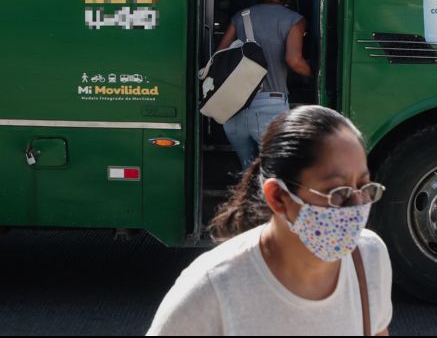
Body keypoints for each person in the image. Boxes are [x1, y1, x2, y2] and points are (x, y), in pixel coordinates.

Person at [147, 106, 393, 336]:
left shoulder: (369, 257)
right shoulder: (212, 289)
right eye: (337, 193)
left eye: (363, 187)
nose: (356, 207)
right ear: (278, 197)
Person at [216, 0, 312, 169]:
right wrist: (313, 74)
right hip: (270, 107)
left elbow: (220, 55)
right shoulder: (294, 20)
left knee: (247, 172)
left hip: (234, 109)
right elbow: (294, 60)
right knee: (273, 174)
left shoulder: (241, 17)